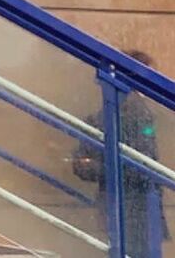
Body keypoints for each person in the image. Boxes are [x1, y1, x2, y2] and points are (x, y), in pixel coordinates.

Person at [71, 50, 169, 258]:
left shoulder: (114, 108)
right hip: (135, 207)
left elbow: (83, 162)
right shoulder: (134, 110)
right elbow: (142, 166)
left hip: (127, 206)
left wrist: (95, 165)